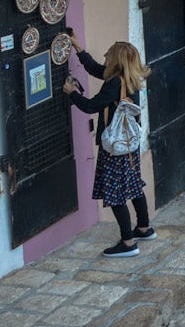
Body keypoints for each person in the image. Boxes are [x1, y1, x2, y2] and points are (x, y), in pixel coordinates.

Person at [62, 34, 154, 257]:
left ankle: (128, 242)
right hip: (128, 145)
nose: (105, 56)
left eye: (109, 55)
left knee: (115, 195)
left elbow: (92, 106)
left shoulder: (114, 83)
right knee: (133, 187)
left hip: (114, 148)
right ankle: (144, 227)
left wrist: (72, 94)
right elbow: (95, 68)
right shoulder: (129, 77)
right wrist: (77, 47)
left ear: (117, 61)